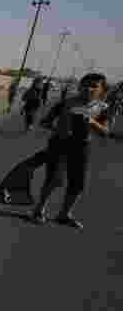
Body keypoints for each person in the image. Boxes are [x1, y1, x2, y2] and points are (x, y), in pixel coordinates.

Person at [26, 73, 111, 228]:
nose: (89, 88)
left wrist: (92, 122)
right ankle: (39, 210)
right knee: (55, 180)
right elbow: (45, 121)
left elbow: (105, 132)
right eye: (85, 84)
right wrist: (59, 129)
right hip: (60, 144)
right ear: (80, 86)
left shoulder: (102, 108)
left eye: (94, 86)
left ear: (101, 90)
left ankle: (64, 214)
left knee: (78, 184)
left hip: (82, 147)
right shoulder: (66, 103)